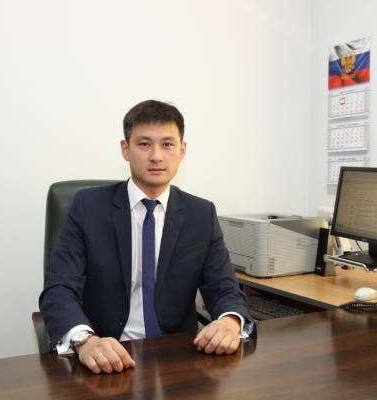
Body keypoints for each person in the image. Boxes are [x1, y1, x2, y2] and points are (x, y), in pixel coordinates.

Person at [39, 99, 254, 374]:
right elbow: (59, 289)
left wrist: (230, 321)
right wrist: (84, 340)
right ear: (125, 149)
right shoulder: (87, 208)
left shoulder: (201, 214)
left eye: (167, 144)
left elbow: (224, 288)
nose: (156, 156)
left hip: (178, 358)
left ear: (182, 150)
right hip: (106, 354)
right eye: (144, 144)